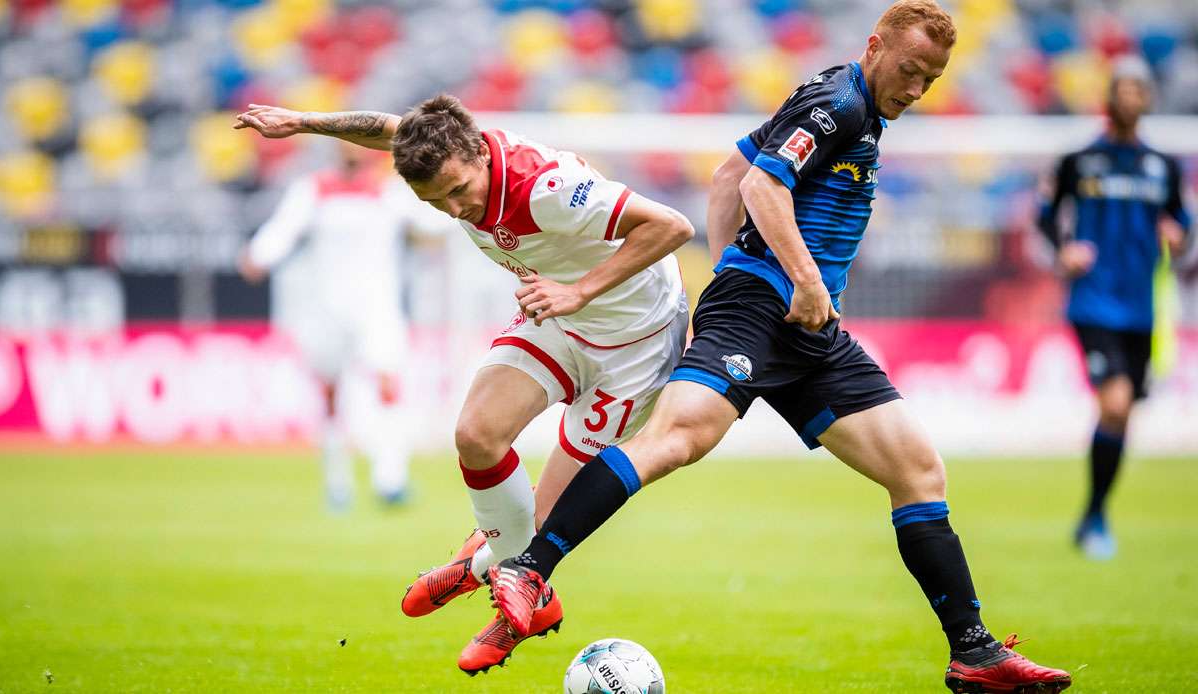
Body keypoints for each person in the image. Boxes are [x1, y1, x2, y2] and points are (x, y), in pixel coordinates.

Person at [486, 2, 1073, 691]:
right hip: (764, 309)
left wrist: (735, 257)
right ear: (875, 46)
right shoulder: (840, 104)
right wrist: (777, 275)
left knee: (918, 472)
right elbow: (766, 184)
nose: (915, 90)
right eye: (909, 71)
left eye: (931, 79)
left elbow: (730, 174)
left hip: (807, 329)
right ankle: (528, 569)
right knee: (676, 439)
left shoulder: (841, 104)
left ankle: (973, 652)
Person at [234, 95, 693, 673]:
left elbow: (672, 226)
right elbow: (386, 128)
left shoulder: (545, 188)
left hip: (634, 343)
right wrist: (302, 122)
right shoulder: (445, 145)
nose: (456, 208)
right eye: (436, 202)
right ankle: (529, 595)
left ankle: (489, 576)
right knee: (476, 435)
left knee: (546, 522)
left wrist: (578, 290)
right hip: (559, 319)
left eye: (459, 190)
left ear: (479, 153)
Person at [240, 141, 452, 510]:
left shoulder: (389, 191)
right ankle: (337, 481)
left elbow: (432, 222)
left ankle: (390, 478)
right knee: (331, 394)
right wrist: (260, 254)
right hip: (324, 306)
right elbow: (282, 230)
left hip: (377, 305)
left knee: (387, 380)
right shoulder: (313, 189)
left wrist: (460, 210)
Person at [1037, 57, 1191, 560]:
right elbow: (1044, 214)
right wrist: (1064, 251)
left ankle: (1093, 514)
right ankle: (1096, 517)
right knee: (1116, 403)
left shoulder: (1163, 166)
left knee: (1123, 416)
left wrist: (1178, 235)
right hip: (1093, 300)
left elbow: (1182, 225)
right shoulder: (1080, 160)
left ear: (1147, 99)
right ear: (1109, 97)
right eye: (1121, 89)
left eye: (1137, 90)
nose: (1129, 98)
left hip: (1143, 307)